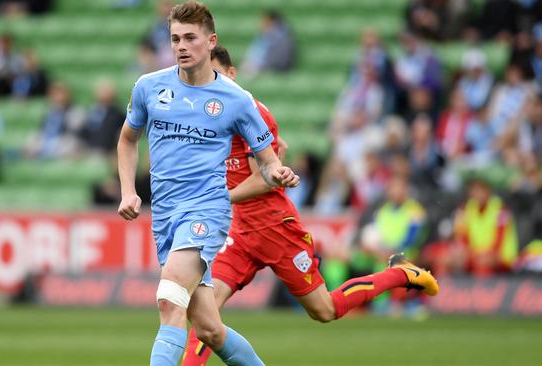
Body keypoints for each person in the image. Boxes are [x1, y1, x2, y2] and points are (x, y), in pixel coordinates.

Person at [181, 45, 439, 366]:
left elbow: (264, 179)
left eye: (215, 74)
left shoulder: (252, 113)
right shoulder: (214, 116)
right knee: (205, 316)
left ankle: (401, 274)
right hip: (241, 232)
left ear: (232, 74)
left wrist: (219, 197)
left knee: (325, 310)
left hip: (277, 229)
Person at [117, 2, 299, 365]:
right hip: (166, 216)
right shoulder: (150, 87)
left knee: (170, 300)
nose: (181, 46)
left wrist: (278, 172)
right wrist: (128, 190)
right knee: (208, 329)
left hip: (207, 211)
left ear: (210, 41)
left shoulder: (236, 100)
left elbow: (267, 161)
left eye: (190, 38)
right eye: (175, 39)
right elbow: (127, 139)